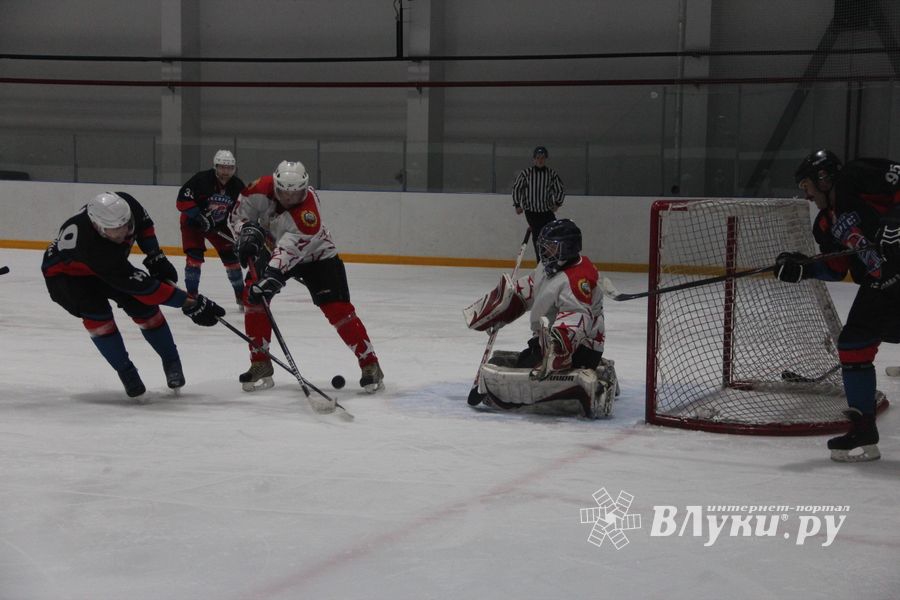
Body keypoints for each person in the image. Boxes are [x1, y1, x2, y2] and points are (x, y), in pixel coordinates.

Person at [775, 149, 900, 461]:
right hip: (882, 285)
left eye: (806, 185)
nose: (806, 195)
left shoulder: (855, 176)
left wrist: (895, 220)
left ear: (822, 177)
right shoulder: (825, 224)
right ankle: (863, 429)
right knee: (853, 344)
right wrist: (803, 268)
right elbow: (835, 268)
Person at [42, 192, 226, 397]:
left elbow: (144, 226)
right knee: (98, 316)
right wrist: (189, 303)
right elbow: (146, 290)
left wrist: (155, 255)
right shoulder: (94, 249)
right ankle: (126, 372)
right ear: (97, 226)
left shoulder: (128, 205)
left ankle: (171, 361)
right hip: (67, 278)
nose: (123, 232)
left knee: (145, 310)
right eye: (115, 230)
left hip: (104, 267)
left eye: (126, 225)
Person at [228, 160, 384, 393]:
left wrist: (271, 276)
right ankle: (260, 362)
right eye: (284, 193)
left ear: (304, 188)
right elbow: (236, 218)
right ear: (275, 185)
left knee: (337, 309)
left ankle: (370, 363)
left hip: (317, 256)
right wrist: (246, 233)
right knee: (253, 297)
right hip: (275, 249)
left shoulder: (307, 216)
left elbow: (289, 250)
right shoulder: (258, 189)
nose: (289, 198)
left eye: (295, 194)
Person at [463, 219, 616, 418]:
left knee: (528, 369)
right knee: (523, 361)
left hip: (579, 348)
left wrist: (558, 350)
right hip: (548, 339)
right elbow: (530, 288)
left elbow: (576, 318)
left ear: (567, 248)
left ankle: (580, 385)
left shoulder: (576, 279)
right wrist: (503, 308)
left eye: (551, 247)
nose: (545, 252)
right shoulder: (548, 266)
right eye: (544, 247)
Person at [176, 149, 246, 310]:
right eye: (222, 167)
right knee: (194, 258)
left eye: (229, 168)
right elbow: (181, 200)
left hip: (217, 225)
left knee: (232, 260)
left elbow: (240, 213)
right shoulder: (201, 179)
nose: (226, 172)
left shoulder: (237, 186)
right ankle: (192, 296)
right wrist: (198, 216)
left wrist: (242, 231)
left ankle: (241, 296)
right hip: (192, 224)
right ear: (215, 167)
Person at [512, 146, 565, 259]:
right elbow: (517, 188)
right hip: (531, 212)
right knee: (538, 235)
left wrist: (557, 203)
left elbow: (560, 189)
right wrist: (517, 205)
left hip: (546, 211)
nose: (540, 160)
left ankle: (552, 260)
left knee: (553, 233)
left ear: (545, 159)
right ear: (534, 159)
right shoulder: (526, 173)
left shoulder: (551, 174)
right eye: (538, 158)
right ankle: (540, 261)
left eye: (542, 158)